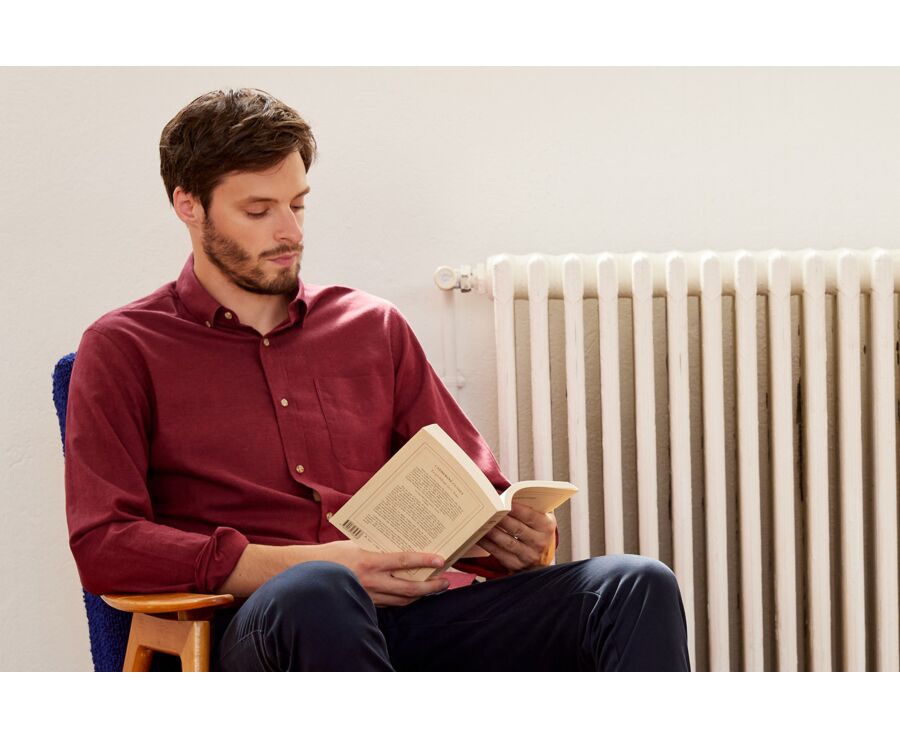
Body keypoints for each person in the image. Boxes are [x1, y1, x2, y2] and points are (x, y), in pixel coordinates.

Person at [64, 87, 691, 671]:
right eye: (258, 210)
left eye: (298, 204)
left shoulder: (371, 327)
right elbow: (104, 544)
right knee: (321, 588)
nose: (290, 232)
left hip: (415, 616)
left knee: (635, 584)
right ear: (188, 205)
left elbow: (474, 490)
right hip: (268, 628)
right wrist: (305, 564)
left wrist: (514, 537)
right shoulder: (123, 347)